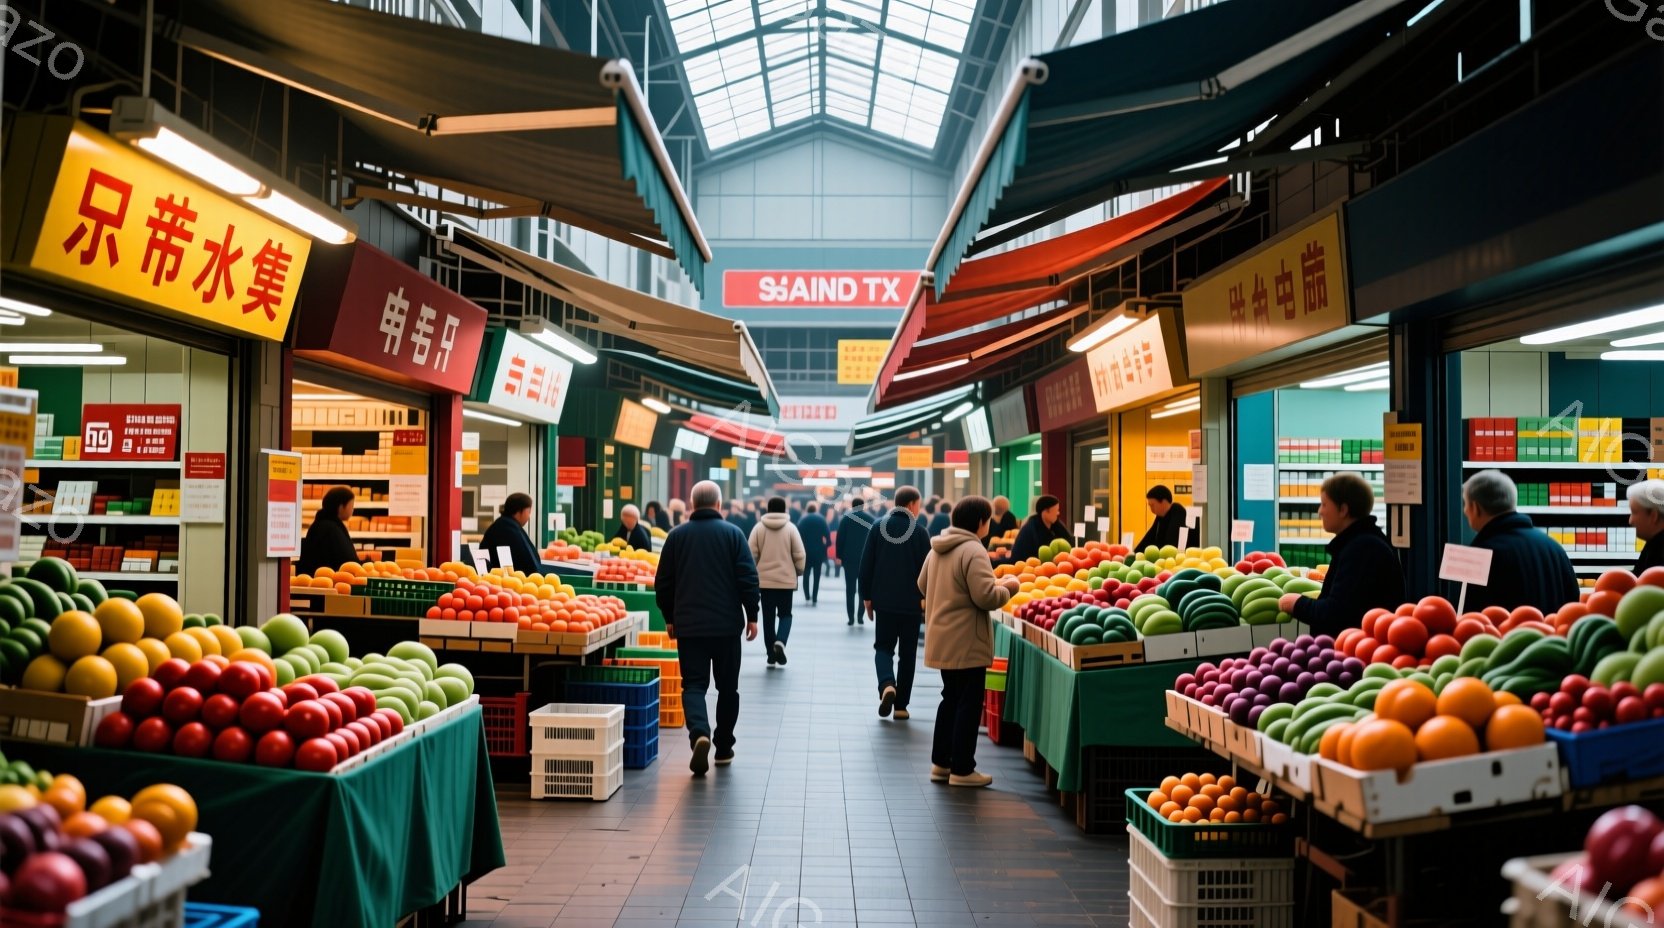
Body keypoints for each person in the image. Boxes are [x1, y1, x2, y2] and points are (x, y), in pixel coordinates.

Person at [655, 481, 760, 775]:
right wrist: (752, 614)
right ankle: (723, 746)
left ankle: (699, 733)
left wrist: (669, 617)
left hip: (690, 628)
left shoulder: (676, 537)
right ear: (718, 504)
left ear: (692, 504)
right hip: (727, 627)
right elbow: (748, 578)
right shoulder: (733, 535)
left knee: (694, 686)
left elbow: (663, 582)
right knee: (728, 688)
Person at [920, 496, 1019, 787]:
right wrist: (1010, 587)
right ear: (980, 522)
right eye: (987, 520)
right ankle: (962, 769)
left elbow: (922, 584)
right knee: (968, 703)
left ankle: (941, 763)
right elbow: (985, 597)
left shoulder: (938, 547)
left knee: (950, 698)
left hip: (942, 638)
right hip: (967, 640)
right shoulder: (973, 549)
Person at [1276, 474, 1405, 636]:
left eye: (1324, 504)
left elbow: (1336, 614)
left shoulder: (1362, 549)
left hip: (1358, 653)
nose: (1319, 511)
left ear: (1343, 510)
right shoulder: (1363, 542)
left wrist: (1297, 603)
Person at [1461, 470, 1579, 614]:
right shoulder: (1554, 548)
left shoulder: (1480, 554)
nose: (1465, 511)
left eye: (1465, 504)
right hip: (1553, 635)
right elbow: (1573, 605)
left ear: (1475, 507)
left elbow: (1472, 618)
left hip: (1505, 636)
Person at [861, 486, 932, 719]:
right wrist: (926, 600)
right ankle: (901, 707)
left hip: (884, 603)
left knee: (883, 648)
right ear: (912, 505)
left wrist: (867, 598)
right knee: (908, 654)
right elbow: (928, 571)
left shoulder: (878, 527)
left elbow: (866, 565)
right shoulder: (921, 533)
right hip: (911, 605)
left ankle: (886, 684)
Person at [750, 498, 806, 667]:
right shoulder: (791, 529)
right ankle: (780, 642)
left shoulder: (758, 528)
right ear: (784, 510)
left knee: (768, 618)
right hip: (785, 581)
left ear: (768, 509)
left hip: (764, 582)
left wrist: (753, 573)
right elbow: (800, 554)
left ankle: (770, 654)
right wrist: (798, 571)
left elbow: (750, 554)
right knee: (785, 614)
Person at [297, 487, 359, 576]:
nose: (352, 510)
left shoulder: (319, 524)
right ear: (341, 507)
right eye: (351, 506)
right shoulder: (331, 529)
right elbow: (347, 561)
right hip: (331, 582)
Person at [836, 497, 877, 625]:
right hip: (866, 560)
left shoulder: (846, 519)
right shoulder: (871, 520)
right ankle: (860, 616)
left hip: (849, 560)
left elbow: (840, 539)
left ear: (853, 506)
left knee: (850, 589)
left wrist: (839, 556)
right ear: (863, 506)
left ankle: (850, 618)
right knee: (862, 589)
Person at [481, 493, 544, 574]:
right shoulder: (509, 529)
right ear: (520, 511)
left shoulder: (501, 525)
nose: (529, 516)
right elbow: (528, 564)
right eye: (528, 512)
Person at [1010, 495, 1073, 563]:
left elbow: (1069, 540)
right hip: (1026, 565)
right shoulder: (1032, 528)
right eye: (1056, 510)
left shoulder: (1056, 525)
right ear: (1045, 512)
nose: (1058, 513)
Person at [1134, 486, 1188, 552]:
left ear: (1163, 502)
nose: (1151, 509)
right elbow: (1149, 536)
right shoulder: (1160, 516)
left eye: (1152, 505)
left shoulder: (1177, 511)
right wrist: (1135, 553)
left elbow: (1171, 541)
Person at [799, 502, 831, 605]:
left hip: (805, 552)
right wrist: (824, 548)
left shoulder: (802, 520)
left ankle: (807, 596)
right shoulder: (821, 520)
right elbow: (828, 538)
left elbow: (797, 537)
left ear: (807, 509)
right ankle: (814, 597)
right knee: (817, 576)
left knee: (806, 574)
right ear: (815, 510)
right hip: (818, 552)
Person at [1630, 479, 1664, 574]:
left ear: (1653, 516)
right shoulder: (1653, 544)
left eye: (1634, 512)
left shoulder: (1658, 551)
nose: (1630, 521)